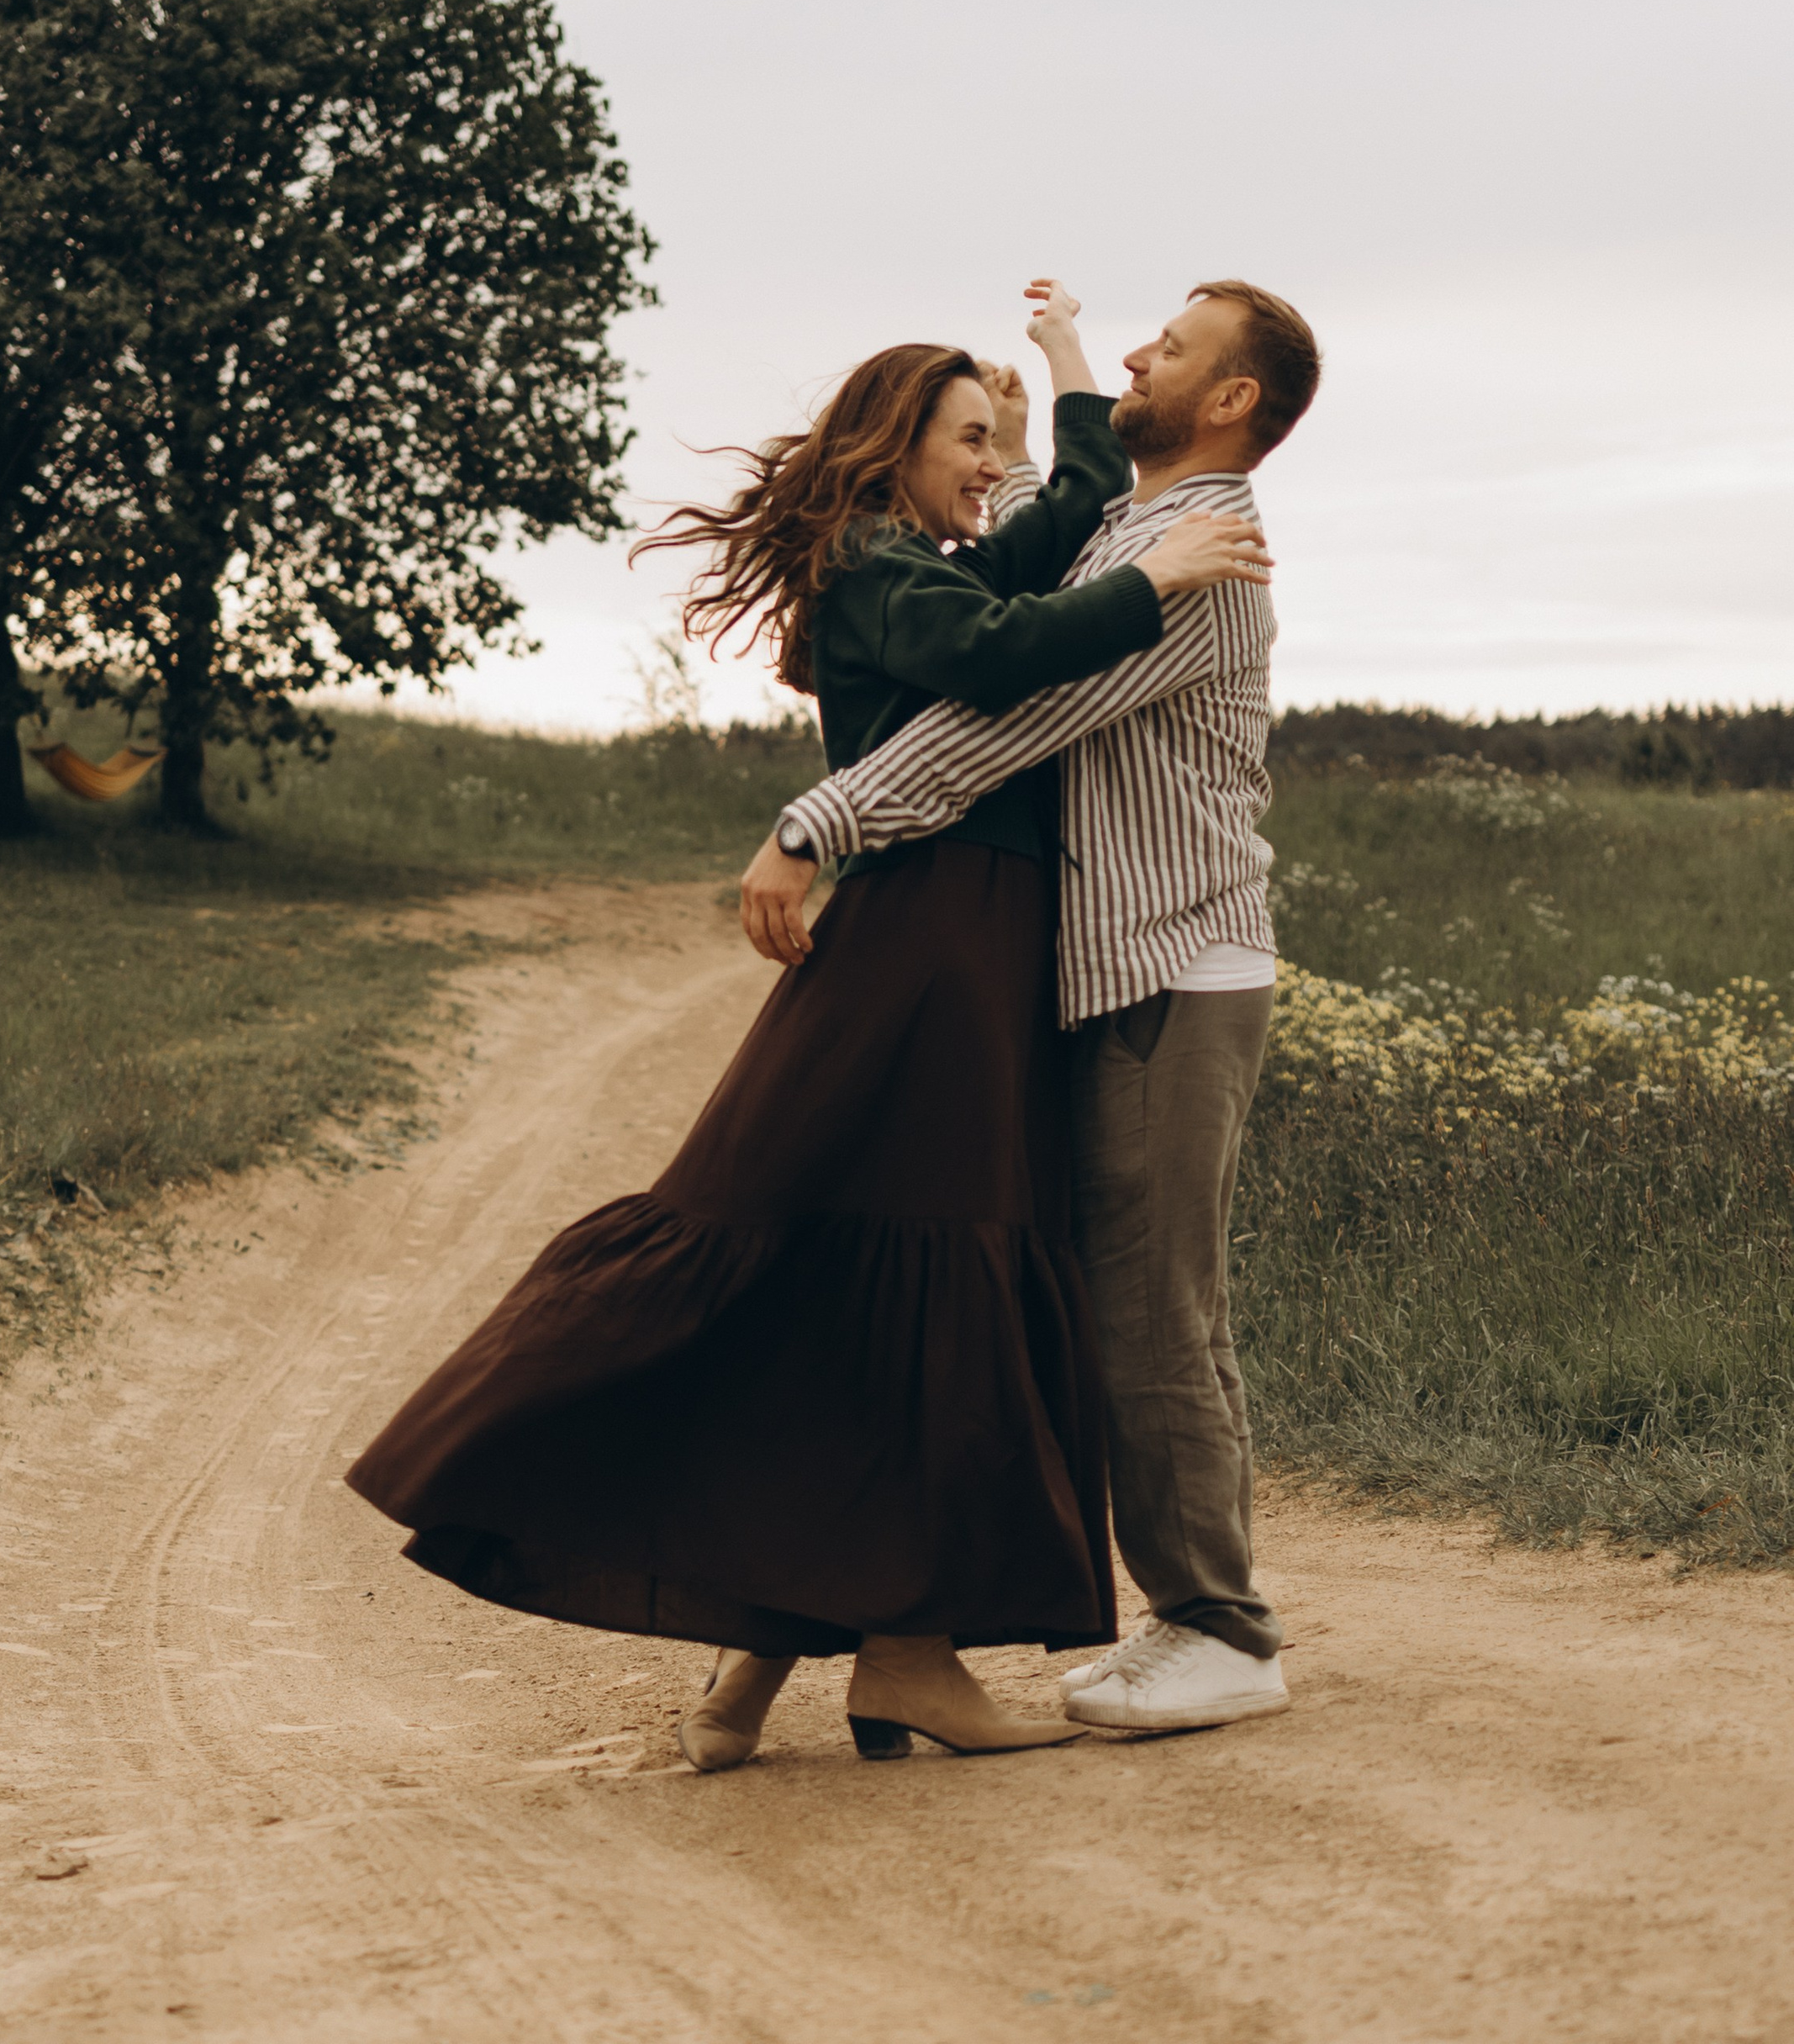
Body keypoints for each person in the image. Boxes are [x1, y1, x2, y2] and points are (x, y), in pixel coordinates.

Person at [346, 286, 1269, 1771]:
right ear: (888, 452)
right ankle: (895, 1655)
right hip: (948, 942)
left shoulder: (933, 560)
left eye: (991, 445)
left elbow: (1053, 531)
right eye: (964, 442)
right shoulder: (882, 574)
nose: (990, 467)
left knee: (847, 1281)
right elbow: (1005, 671)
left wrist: (1057, 381)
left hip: (962, 943)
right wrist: (1153, 585)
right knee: (922, 1278)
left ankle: (760, 1666)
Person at [742, 280, 1321, 1741]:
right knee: (1111, 1305)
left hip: (1173, 968)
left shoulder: (1212, 555)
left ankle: (1218, 1628)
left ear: (1233, 399)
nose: (1138, 352)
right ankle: (1136, 1617)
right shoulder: (1136, 535)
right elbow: (1019, 554)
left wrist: (820, 819)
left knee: (1154, 1313)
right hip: (1112, 968)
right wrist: (1057, 370)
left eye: (1171, 347)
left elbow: (1017, 717)